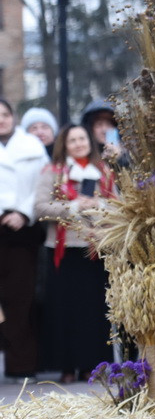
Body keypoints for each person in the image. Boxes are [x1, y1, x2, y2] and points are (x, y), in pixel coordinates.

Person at [34, 124, 116, 382]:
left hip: (95, 250)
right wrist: (72, 207)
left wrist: (98, 205)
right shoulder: (53, 172)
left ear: (90, 142)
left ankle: (93, 365)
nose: (79, 143)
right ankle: (67, 367)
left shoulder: (104, 171)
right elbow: (39, 208)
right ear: (64, 145)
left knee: (93, 311)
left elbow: (120, 207)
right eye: (73, 140)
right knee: (64, 310)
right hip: (63, 250)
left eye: (82, 139)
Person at [0, 98, 50, 380]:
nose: (1, 120)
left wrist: (22, 212)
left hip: (22, 230)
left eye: (5, 114)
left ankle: (22, 366)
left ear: (14, 116)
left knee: (20, 299)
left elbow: (43, 186)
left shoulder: (32, 147)